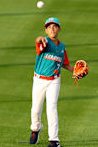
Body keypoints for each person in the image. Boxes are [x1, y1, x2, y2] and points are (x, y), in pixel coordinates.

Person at [29, 17, 75, 147]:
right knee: (36, 109)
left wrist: (74, 71)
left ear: (59, 29)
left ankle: (54, 140)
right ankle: (35, 128)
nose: (52, 29)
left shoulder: (61, 47)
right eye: (49, 27)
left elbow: (65, 64)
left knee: (52, 109)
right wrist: (40, 39)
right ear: (46, 30)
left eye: (55, 26)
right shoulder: (44, 42)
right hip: (39, 80)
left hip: (54, 81)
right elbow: (38, 41)